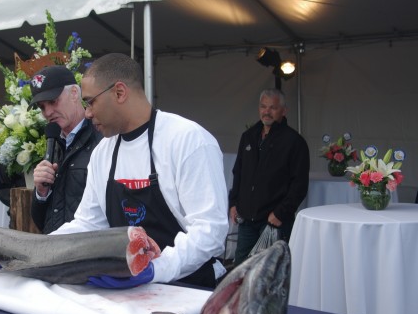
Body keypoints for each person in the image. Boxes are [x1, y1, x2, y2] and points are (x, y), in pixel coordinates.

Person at [49, 53, 229, 288]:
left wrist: (155, 268)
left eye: (91, 102)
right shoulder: (103, 151)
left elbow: (210, 231)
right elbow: (89, 224)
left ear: (120, 92)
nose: (88, 113)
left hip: (190, 287)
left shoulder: (187, 140)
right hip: (130, 288)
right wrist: (41, 250)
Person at [228, 88, 309, 267]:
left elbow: (299, 185)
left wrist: (281, 213)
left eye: (273, 108)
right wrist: (233, 202)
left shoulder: (294, 142)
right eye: (263, 107)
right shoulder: (248, 137)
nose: (267, 111)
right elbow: (238, 172)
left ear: (284, 110)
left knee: (270, 272)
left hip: (274, 222)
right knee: (241, 271)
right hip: (247, 221)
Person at [30, 65, 102, 233]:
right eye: (41, 107)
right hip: (57, 250)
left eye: (53, 101)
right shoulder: (53, 144)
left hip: (88, 251)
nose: (47, 112)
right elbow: (42, 222)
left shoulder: (101, 138)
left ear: (75, 94)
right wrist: (41, 193)